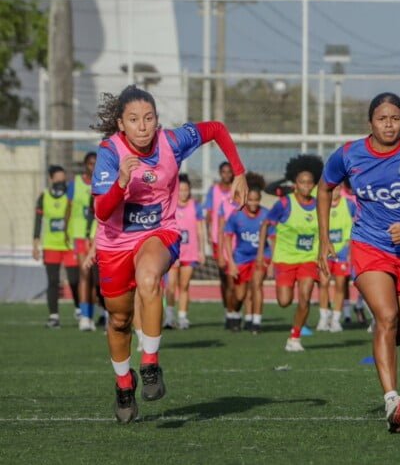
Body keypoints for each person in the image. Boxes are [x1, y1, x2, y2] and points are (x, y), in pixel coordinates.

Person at [86, 84, 246, 423]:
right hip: (115, 242)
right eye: (134, 119)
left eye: (149, 118)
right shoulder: (110, 153)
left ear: (157, 120)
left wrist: (240, 172)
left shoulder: (172, 142)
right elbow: (101, 212)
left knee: (149, 277)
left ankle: (150, 365)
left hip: (161, 232)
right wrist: (121, 182)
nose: (143, 126)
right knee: (118, 319)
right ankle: (123, 383)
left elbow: (216, 129)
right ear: (121, 124)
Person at [317, 92, 400, 434]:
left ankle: (380, 328)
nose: (388, 124)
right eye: (382, 118)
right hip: (369, 245)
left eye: (395, 118)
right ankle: (393, 400)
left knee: (398, 332)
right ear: (370, 122)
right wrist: (324, 239)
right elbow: (324, 188)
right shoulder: (348, 154)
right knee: (388, 317)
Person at [260, 154, 322, 351]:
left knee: (305, 297)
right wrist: (263, 255)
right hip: (285, 259)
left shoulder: (319, 205)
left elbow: (324, 230)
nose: (305, 186)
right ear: (295, 183)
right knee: (284, 301)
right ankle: (294, 331)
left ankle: (294, 338)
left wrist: (323, 254)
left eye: (309, 183)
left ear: (313, 184)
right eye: (302, 182)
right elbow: (266, 224)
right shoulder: (285, 203)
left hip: (308, 259)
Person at [223, 172, 273, 334]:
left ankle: (256, 322)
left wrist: (272, 261)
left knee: (257, 285)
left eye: (256, 200)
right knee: (239, 294)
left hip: (261, 256)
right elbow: (227, 238)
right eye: (250, 199)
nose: (253, 203)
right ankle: (234, 314)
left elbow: (274, 238)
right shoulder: (236, 215)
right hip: (241, 257)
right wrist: (230, 262)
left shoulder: (266, 215)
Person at [33, 164, 79, 328]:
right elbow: (38, 220)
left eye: (63, 178)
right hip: (51, 245)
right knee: (53, 281)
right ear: (51, 179)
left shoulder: (71, 194)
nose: (61, 181)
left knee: (74, 280)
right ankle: (54, 317)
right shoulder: (44, 196)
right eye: (58, 178)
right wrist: (36, 243)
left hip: (69, 245)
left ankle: (80, 309)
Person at [164, 173, 205, 330]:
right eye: (180, 189)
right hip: (173, 252)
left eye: (185, 189)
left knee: (184, 285)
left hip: (190, 251)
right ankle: (169, 317)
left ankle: (182, 317)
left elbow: (200, 230)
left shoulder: (195, 206)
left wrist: (201, 250)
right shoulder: (170, 205)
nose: (183, 192)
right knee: (171, 285)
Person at [66, 151, 98, 331]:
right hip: (79, 234)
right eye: (90, 164)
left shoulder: (102, 182)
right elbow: (68, 210)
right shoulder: (75, 184)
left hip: (98, 235)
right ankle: (85, 316)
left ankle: (97, 313)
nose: (93, 167)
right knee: (84, 274)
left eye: (96, 164)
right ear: (85, 165)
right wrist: (66, 230)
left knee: (97, 278)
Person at [204, 160, 237, 327]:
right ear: (220, 173)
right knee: (224, 276)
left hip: (235, 238)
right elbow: (209, 215)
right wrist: (209, 235)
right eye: (224, 171)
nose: (227, 174)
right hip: (218, 238)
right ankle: (228, 308)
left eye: (229, 172)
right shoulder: (214, 190)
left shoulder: (236, 191)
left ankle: (235, 310)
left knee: (234, 276)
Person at [321, 182, 357, 332]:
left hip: (342, 252)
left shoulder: (349, 205)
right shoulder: (322, 204)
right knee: (323, 284)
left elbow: (357, 223)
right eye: (331, 188)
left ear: (341, 189)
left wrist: (351, 250)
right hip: (325, 250)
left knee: (340, 286)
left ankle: (336, 319)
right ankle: (323, 318)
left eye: (337, 188)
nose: (334, 191)